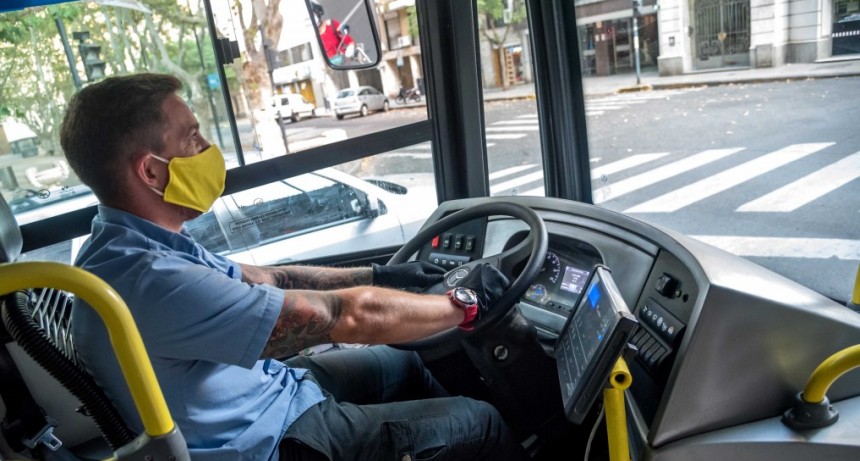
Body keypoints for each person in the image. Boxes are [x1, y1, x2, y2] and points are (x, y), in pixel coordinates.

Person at [60, 73, 528, 461]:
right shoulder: (152, 280)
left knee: (403, 361)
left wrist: (382, 275)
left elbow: (271, 278)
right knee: (479, 423)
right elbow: (343, 318)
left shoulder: (131, 242)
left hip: (273, 394)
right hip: (270, 442)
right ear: (149, 171)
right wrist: (462, 303)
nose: (207, 149)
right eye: (192, 138)